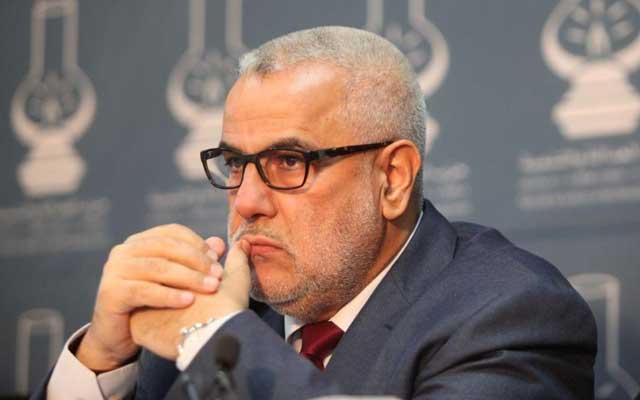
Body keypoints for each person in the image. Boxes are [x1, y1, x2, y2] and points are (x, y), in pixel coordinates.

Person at [35, 26, 596, 400]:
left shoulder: (511, 315)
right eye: (236, 163)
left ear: (393, 178)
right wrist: (102, 360)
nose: (246, 201)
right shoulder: (199, 317)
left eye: (289, 161)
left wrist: (216, 340)